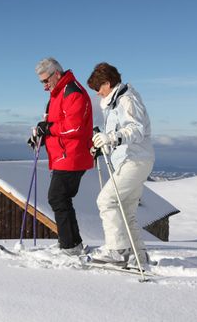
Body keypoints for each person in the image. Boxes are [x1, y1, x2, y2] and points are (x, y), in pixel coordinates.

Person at [86, 62, 155, 267]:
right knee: (125, 209)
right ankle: (138, 255)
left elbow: (136, 129)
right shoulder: (116, 102)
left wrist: (112, 138)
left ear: (107, 83)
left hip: (135, 160)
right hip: (132, 160)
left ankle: (117, 251)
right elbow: (118, 137)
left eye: (98, 88)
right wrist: (103, 144)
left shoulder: (127, 100)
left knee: (106, 201)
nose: (97, 93)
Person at [30, 57, 94, 255]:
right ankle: (72, 243)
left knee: (57, 198)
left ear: (56, 74)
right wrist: (39, 135)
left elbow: (74, 126)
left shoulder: (73, 92)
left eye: (45, 81)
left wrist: (48, 129)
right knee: (61, 199)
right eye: (41, 82)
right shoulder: (57, 94)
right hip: (62, 155)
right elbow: (54, 124)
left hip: (73, 155)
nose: (44, 86)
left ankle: (69, 245)